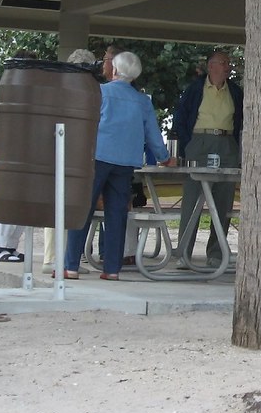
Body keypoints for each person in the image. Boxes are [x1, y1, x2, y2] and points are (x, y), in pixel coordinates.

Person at [64, 52, 173, 279]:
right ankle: (112, 269)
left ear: (114, 70)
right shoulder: (143, 101)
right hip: (126, 163)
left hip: (98, 158)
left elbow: (86, 124)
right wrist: (164, 157)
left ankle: (71, 265)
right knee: (117, 215)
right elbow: (153, 135)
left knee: (83, 210)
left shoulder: (100, 92)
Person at [174, 49, 243, 268]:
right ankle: (184, 253)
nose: (227, 67)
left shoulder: (235, 91)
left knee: (223, 199)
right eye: (223, 63)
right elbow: (181, 118)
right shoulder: (195, 89)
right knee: (193, 198)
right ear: (211, 66)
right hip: (200, 141)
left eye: (228, 63)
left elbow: (241, 119)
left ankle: (216, 253)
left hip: (226, 143)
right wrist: (187, 146)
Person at [42, 47, 99, 275]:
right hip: (75, 153)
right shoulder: (87, 90)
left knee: (57, 205)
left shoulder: (57, 87)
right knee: (70, 205)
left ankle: (52, 258)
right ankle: (62, 259)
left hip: (56, 151)